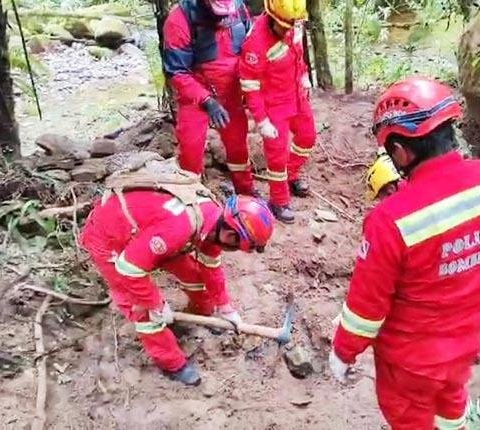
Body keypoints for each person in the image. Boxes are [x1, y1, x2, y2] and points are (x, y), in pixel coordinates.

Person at [328, 76, 480, 430]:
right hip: (467, 341)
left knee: (411, 420)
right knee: (451, 406)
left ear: (400, 152)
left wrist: (344, 351)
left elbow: (367, 309)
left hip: (410, 363)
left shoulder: (390, 221)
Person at [81, 192, 274, 386]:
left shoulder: (213, 220)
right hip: (110, 237)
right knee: (144, 312)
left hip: (149, 232)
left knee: (195, 278)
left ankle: (201, 314)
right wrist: (155, 304)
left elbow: (211, 267)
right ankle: (172, 364)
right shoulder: (178, 229)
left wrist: (225, 308)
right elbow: (129, 268)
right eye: (236, 247)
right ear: (231, 235)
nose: (233, 251)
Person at [162, 0, 255, 195]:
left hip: (232, 92)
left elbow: (252, 46)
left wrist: (251, 85)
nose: (223, 20)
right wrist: (206, 100)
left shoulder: (238, 8)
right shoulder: (179, 19)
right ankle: (192, 199)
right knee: (190, 151)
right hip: (196, 94)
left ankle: (245, 192)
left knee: (238, 147)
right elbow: (177, 72)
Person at [238, 0, 316, 223]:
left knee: (307, 137)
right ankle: (278, 200)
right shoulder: (255, 43)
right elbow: (250, 85)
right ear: (271, 18)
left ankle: (292, 175)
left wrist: (303, 76)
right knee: (276, 155)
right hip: (273, 104)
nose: (288, 31)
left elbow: (298, 53)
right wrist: (262, 120)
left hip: (296, 94)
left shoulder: (292, 23)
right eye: (284, 26)